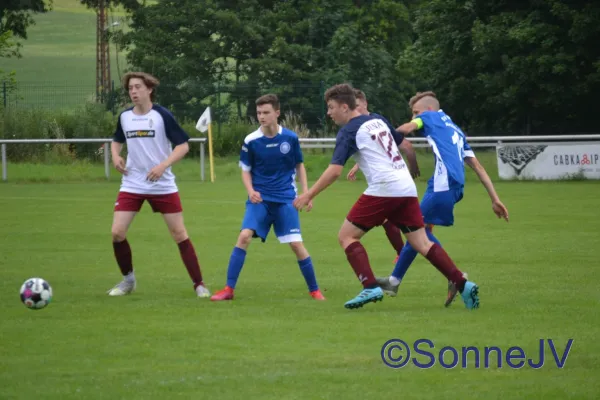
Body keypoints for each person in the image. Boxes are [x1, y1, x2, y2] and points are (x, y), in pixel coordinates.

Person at [293, 83, 479, 310]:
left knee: (346, 236)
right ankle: (463, 283)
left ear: (344, 107)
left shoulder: (349, 131)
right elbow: (404, 144)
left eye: (331, 107)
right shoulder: (378, 120)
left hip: (384, 188)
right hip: (406, 187)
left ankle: (370, 287)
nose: (329, 113)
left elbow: (335, 171)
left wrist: (308, 194)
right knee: (422, 242)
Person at [376, 91, 508, 306]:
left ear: (428, 110)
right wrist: (495, 199)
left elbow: (404, 130)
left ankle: (456, 277)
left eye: (415, 113)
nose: (414, 117)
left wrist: (378, 138)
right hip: (455, 188)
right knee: (419, 231)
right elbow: (478, 167)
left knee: (415, 231)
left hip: (442, 184)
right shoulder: (456, 130)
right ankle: (395, 281)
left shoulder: (430, 117)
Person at [210, 94, 325, 302]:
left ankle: (315, 290)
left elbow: (299, 165)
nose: (261, 117)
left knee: (296, 245)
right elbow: (245, 170)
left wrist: (306, 193)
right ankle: (228, 289)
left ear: (277, 113)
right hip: (260, 200)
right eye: (259, 113)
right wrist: (250, 190)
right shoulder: (251, 141)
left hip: (285, 199)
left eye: (266, 112)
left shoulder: (290, 138)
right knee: (244, 236)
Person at [107, 71, 210, 298]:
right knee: (117, 233)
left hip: (162, 184)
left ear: (149, 90)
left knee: (179, 234)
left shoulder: (162, 115)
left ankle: (199, 284)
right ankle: (128, 281)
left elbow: (183, 146)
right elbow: (116, 141)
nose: (133, 92)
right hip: (132, 183)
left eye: (137, 87)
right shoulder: (125, 117)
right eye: (130, 88)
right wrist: (115, 156)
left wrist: (163, 166)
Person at [345, 88, 420, 262]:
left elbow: (399, 146)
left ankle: (402, 253)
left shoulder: (375, 120)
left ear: (365, 103)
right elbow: (380, 149)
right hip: (393, 181)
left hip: (388, 181)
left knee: (350, 234)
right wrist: (358, 165)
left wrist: (412, 166)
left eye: (357, 105)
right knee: (414, 233)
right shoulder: (370, 122)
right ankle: (404, 253)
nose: (355, 110)